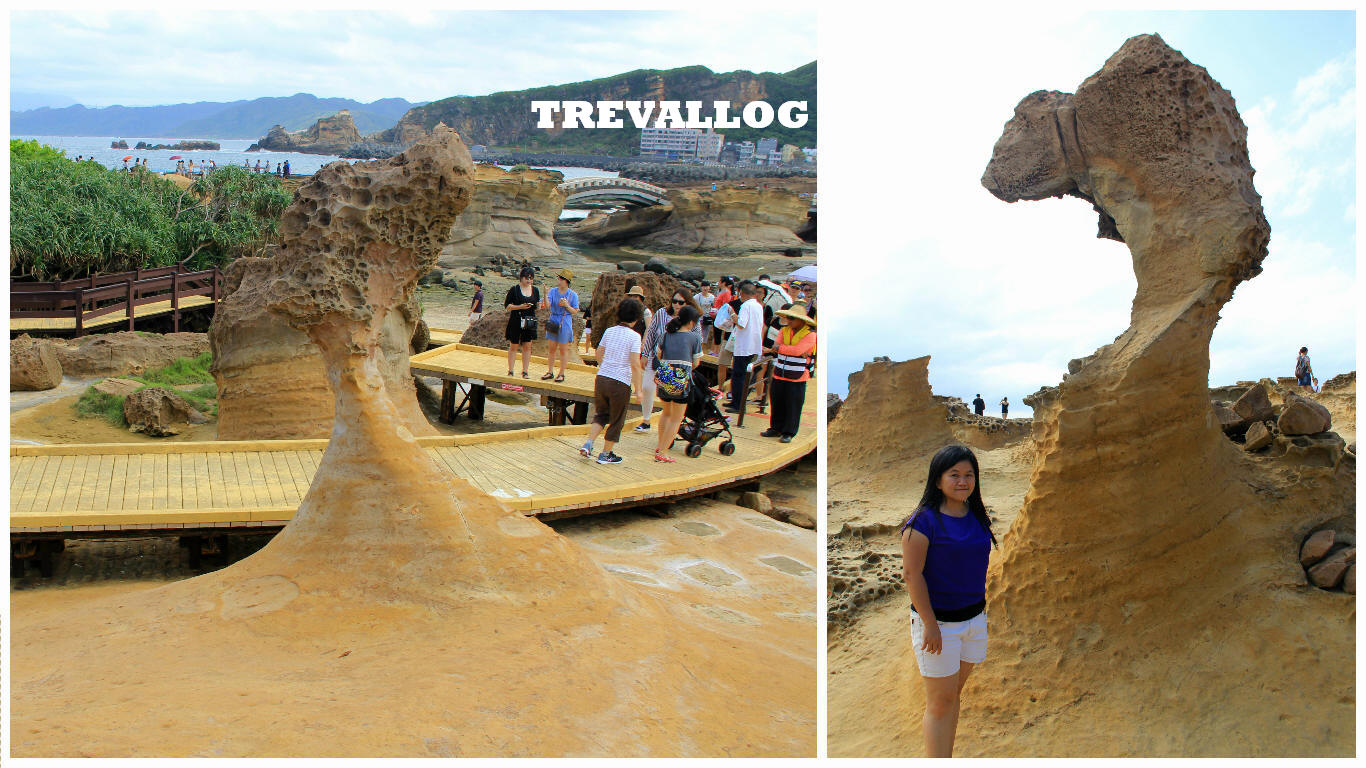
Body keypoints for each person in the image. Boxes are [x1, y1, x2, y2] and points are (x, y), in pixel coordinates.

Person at [900, 444, 997, 758]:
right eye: (953, 474)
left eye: (969, 475)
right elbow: (913, 575)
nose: (962, 481)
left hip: (974, 621)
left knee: (952, 696)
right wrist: (929, 624)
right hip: (938, 625)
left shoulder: (977, 515)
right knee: (941, 703)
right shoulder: (922, 522)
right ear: (938, 479)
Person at [580, 298, 644, 465]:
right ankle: (606, 453)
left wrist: (606, 365)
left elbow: (599, 354)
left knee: (601, 414)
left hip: (602, 378)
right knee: (617, 419)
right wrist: (638, 390)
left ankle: (589, 443)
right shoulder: (635, 337)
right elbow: (635, 364)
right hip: (620, 381)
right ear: (637, 317)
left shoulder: (610, 331)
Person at [636, 289, 701, 433]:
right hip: (661, 360)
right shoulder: (661, 314)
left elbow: (697, 341)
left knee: (673, 404)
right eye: (675, 301)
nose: (677, 305)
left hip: (677, 365)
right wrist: (645, 354)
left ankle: (666, 437)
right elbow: (651, 333)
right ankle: (647, 421)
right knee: (648, 388)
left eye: (681, 302)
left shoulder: (692, 321)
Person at [651, 305, 704, 462]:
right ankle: (663, 452)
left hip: (665, 374)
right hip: (681, 376)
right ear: (691, 322)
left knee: (666, 413)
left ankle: (661, 446)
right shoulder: (694, 338)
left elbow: (659, 355)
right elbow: (696, 362)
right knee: (676, 417)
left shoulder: (666, 335)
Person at [762, 303, 816, 443]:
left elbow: (797, 350)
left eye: (792, 318)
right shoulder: (784, 330)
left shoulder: (811, 335)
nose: (789, 320)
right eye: (789, 317)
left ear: (801, 320)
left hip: (797, 376)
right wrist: (786, 349)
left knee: (793, 405)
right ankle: (775, 428)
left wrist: (782, 348)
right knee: (776, 401)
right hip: (780, 372)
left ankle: (788, 432)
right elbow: (776, 347)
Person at [726, 281, 765, 413]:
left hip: (744, 345)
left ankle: (737, 404)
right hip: (754, 344)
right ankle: (737, 402)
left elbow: (741, 324)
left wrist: (732, 314)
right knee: (743, 374)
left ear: (742, 294)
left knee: (738, 375)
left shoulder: (745, 306)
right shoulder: (759, 306)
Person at [541, 268, 580, 382]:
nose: (559, 280)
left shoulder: (573, 295)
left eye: (561, 278)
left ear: (566, 281)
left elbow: (575, 311)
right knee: (552, 348)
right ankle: (550, 371)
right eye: (559, 278)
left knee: (563, 349)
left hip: (565, 321)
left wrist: (567, 305)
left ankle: (561, 373)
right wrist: (545, 294)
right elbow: (547, 306)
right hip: (553, 319)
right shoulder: (553, 291)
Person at [503, 266, 540, 378]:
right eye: (527, 278)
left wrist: (536, 306)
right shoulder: (514, 289)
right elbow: (507, 306)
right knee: (514, 345)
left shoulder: (535, 290)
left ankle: (525, 371)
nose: (529, 281)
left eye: (531, 278)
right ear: (521, 278)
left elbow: (537, 306)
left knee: (527, 346)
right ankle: (511, 370)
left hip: (529, 320)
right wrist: (520, 307)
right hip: (516, 319)